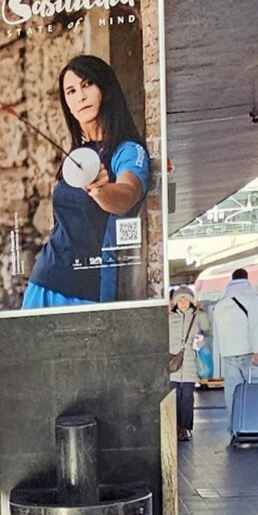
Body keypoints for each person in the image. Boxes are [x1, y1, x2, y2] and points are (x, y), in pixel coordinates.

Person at [22, 55, 149, 308]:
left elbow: (127, 192)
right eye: (70, 91)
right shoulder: (76, 155)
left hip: (88, 290)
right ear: (66, 104)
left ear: (105, 88)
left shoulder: (127, 151)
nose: (80, 96)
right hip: (43, 280)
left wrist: (101, 190)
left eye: (87, 84)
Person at [211, 268, 258, 431]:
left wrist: (219, 356)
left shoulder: (221, 303)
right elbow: (256, 326)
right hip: (249, 353)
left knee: (232, 393)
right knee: (253, 390)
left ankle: (235, 427)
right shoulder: (253, 299)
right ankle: (254, 426)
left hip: (228, 354)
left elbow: (217, 332)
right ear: (247, 279)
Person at [168, 286, 211, 443]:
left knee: (187, 396)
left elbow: (207, 333)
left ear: (191, 301)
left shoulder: (198, 316)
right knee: (174, 397)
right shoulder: (169, 318)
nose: (183, 302)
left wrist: (202, 340)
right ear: (175, 302)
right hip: (173, 363)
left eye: (186, 299)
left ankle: (185, 428)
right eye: (180, 299)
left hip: (190, 363)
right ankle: (175, 427)